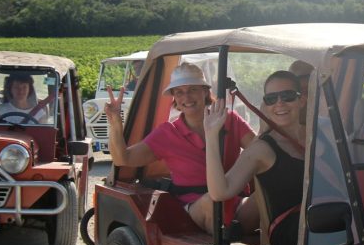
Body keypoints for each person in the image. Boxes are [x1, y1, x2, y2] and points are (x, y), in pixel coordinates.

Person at [104, 61, 255, 232]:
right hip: (197, 209)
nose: (187, 98)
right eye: (180, 92)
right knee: (213, 201)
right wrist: (115, 122)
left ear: (205, 91)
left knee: (272, 196)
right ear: (174, 97)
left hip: (238, 203)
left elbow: (258, 149)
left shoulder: (230, 119)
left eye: (193, 90)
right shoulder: (167, 133)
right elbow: (123, 158)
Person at [205, 70, 306, 245]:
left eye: (287, 96)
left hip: (322, 224)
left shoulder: (318, 136)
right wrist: (211, 136)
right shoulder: (262, 149)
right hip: (290, 238)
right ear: (265, 105)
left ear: (301, 100)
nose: (280, 103)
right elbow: (220, 192)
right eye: (271, 98)